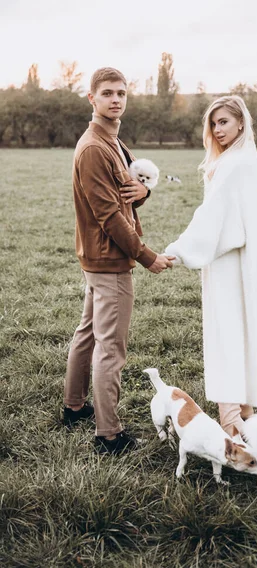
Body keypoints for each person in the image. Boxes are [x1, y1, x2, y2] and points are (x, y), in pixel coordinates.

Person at [63, 67, 173, 454]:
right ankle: (108, 434)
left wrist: (142, 192)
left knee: (88, 333)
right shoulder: (94, 146)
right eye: (107, 93)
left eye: (121, 93)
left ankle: (74, 407)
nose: (116, 99)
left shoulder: (113, 140)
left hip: (99, 258)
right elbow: (109, 215)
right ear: (91, 99)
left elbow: (130, 191)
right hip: (109, 259)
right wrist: (146, 256)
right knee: (111, 348)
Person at [165, 96, 257, 437]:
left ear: (241, 122)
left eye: (224, 122)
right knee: (241, 326)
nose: (217, 129)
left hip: (228, 256)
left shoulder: (233, 164)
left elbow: (212, 217)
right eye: (213, 124)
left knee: (225, 326)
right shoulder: (245, 158)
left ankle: (230, 418)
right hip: (243, 254)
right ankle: (243, 409)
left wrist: (179, 251)